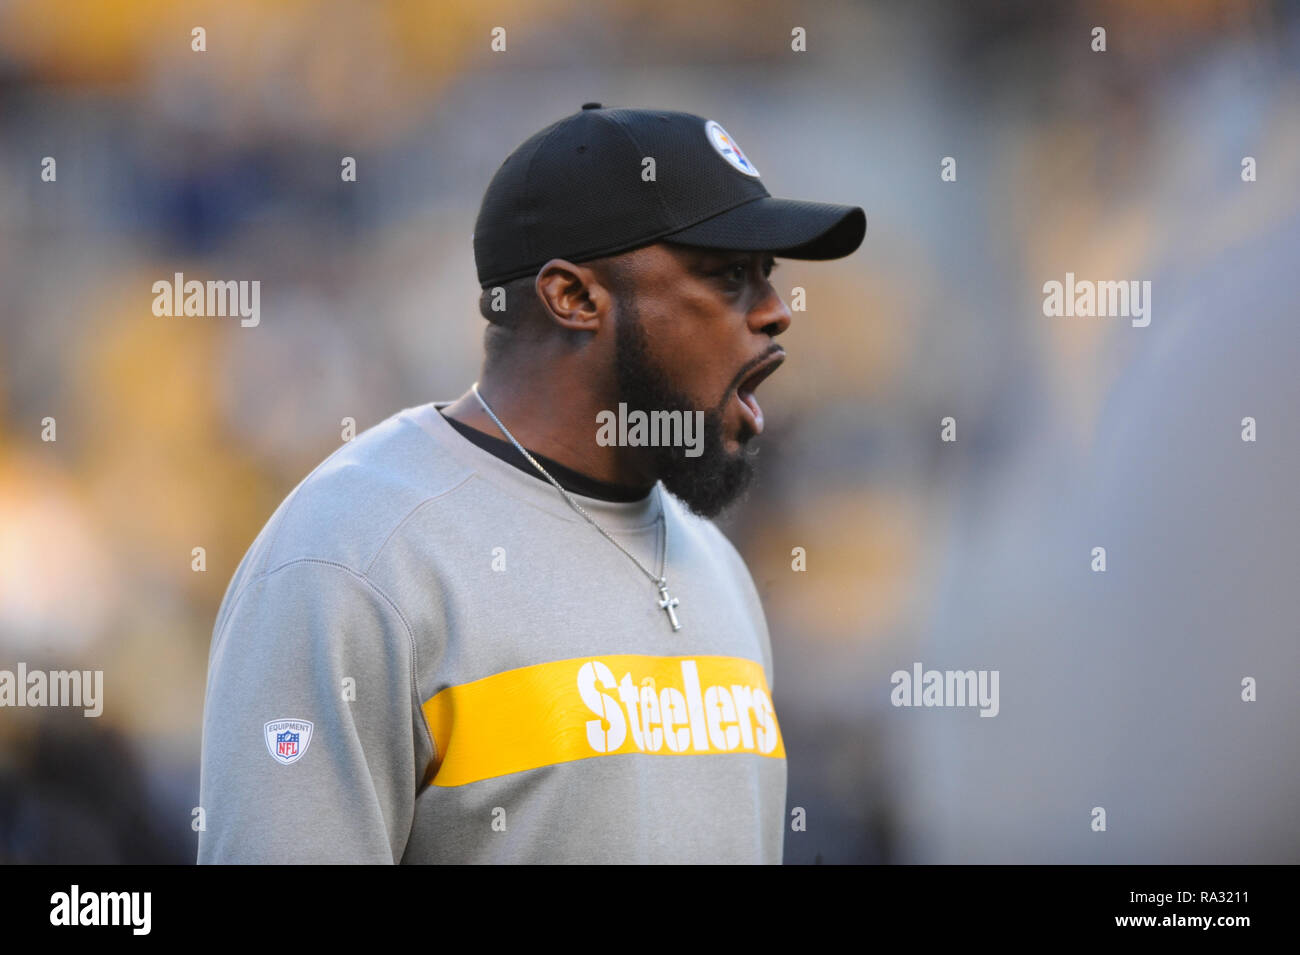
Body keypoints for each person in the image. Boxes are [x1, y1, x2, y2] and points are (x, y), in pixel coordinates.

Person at [197, 104, 866, 863]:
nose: (777, 312)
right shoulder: (354, 559)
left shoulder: (717, 564)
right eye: (727, 276)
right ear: (573, 297)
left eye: (768, 277)